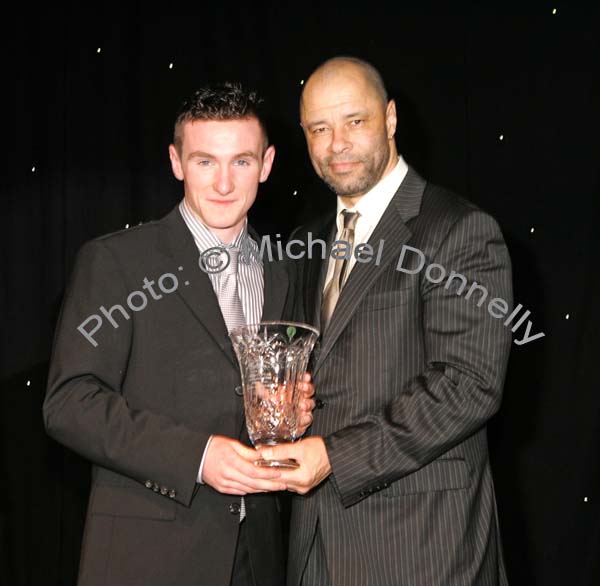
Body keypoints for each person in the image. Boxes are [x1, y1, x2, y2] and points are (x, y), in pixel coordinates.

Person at [43, 82, 314, 586]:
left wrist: (296, 408)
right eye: (205, 161)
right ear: (176, 161)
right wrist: (198, 456)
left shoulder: (284, 273)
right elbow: (68, 403)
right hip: (146, 557)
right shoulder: (116, 261)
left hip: (258, 558)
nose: (224, 184)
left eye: (242, 162)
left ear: (268, 163)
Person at [260, 57, 513, 585]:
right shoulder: (306, 245)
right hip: (314, 547)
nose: (337, 144)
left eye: (355, 121)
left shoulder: (459, 229)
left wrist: (333, 455)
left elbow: (469, 385)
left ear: (391, 119)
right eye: (319, 129)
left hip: (421, 548)